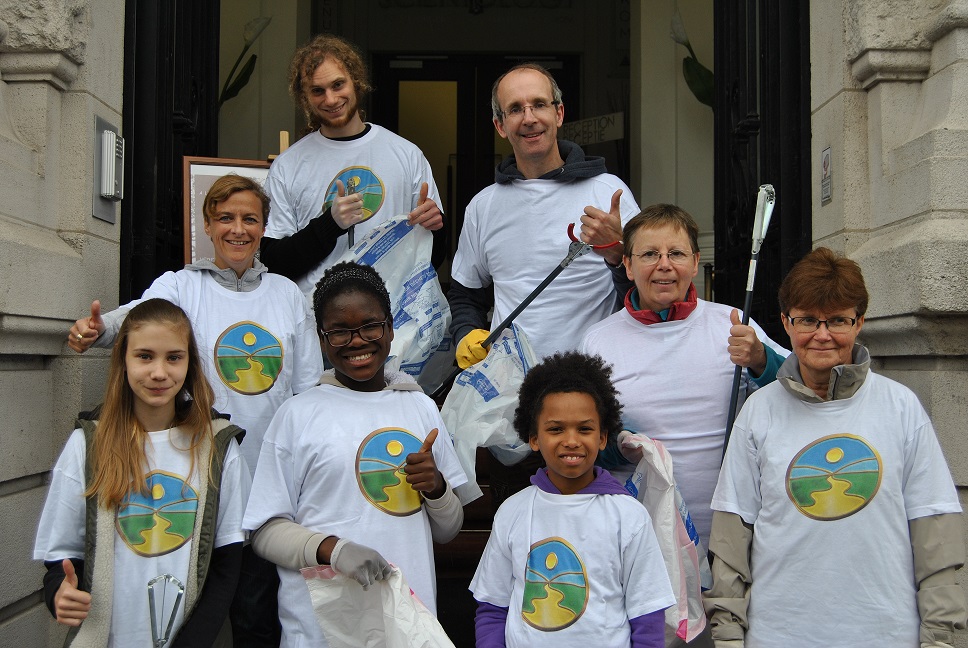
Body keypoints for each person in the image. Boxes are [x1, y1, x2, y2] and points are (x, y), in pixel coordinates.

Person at [67, 174, 323, 646]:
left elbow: (307, 393)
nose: (238, 229)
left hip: (267, 484)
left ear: (264, 227)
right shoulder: (183, 286)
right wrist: (96, 330)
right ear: (207, 224)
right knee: (183, 614)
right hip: (195, 480)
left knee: (255, 615)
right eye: (225, 218)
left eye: (250, 219)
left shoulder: (288, 295)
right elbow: (134, 322)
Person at [705, 247, 966, 648]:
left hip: (886, 633)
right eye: (807, 319)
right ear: (786, 323)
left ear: (859, 322)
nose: (822, 334)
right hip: (779, 635)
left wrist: (943, 638)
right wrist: (727, 637)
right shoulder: (760, 411)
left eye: (838, 320)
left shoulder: (900, 407)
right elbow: (731, 540)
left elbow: (935, 535)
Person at [243, 261, 468, 646]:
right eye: (340, 331)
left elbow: (448, 530)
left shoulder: (420, 408)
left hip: (407, 627)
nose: (357, 341)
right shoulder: (298, 414)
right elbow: (264, 532)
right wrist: (333, 550)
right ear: (321, 338)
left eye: (369, 326)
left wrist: (436, 488)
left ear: (390, 328)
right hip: (321, 630)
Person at [35, 298, 250, 646]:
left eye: (174, 357)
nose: (159, 372)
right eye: (145, 356)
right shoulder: (87, 445)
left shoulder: (218, 448)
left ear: (190, 364)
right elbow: (61, 556)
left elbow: (228, 564)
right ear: (123, 360)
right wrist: (59, 592)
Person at [579, 204, 788, 553]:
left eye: (676, 253)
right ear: (627, 265)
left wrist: (761, 360)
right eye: (649, 254)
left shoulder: (734, 324)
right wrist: (614, 447)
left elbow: (802, 393)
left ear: (695, 261)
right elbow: (583, 441)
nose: (664, 264)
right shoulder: (597, 341)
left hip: (732, 538)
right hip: (638, 540)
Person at [469, 351, 675, 647]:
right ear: (534, 438)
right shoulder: (512, 512)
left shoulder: (629, 516)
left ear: (603, 437)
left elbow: (647, 617)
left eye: (585, 429)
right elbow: (492, 608)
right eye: (555, 429)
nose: (571, 440)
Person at [449, 62, 640, 366]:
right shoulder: (483, 206)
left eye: (539, 104)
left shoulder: (608, 193)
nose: (529, 118)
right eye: (515, 109)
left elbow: (648, 295)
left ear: (559, 113)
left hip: (593, 380)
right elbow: (465, 295)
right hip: (509, 385)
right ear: (500, 126)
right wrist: (466, 334)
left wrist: (616, 251)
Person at [259, 33, 445, 299]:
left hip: (391, 323)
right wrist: (329, 225)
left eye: (338, 85)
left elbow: (431, 259)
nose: (331, 99)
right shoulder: (288, 165)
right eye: (317, 91)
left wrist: (437, 228)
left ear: (356, 82)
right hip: (315, 326)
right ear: (304, 97)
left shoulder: (406, 154)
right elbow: (274, 264)